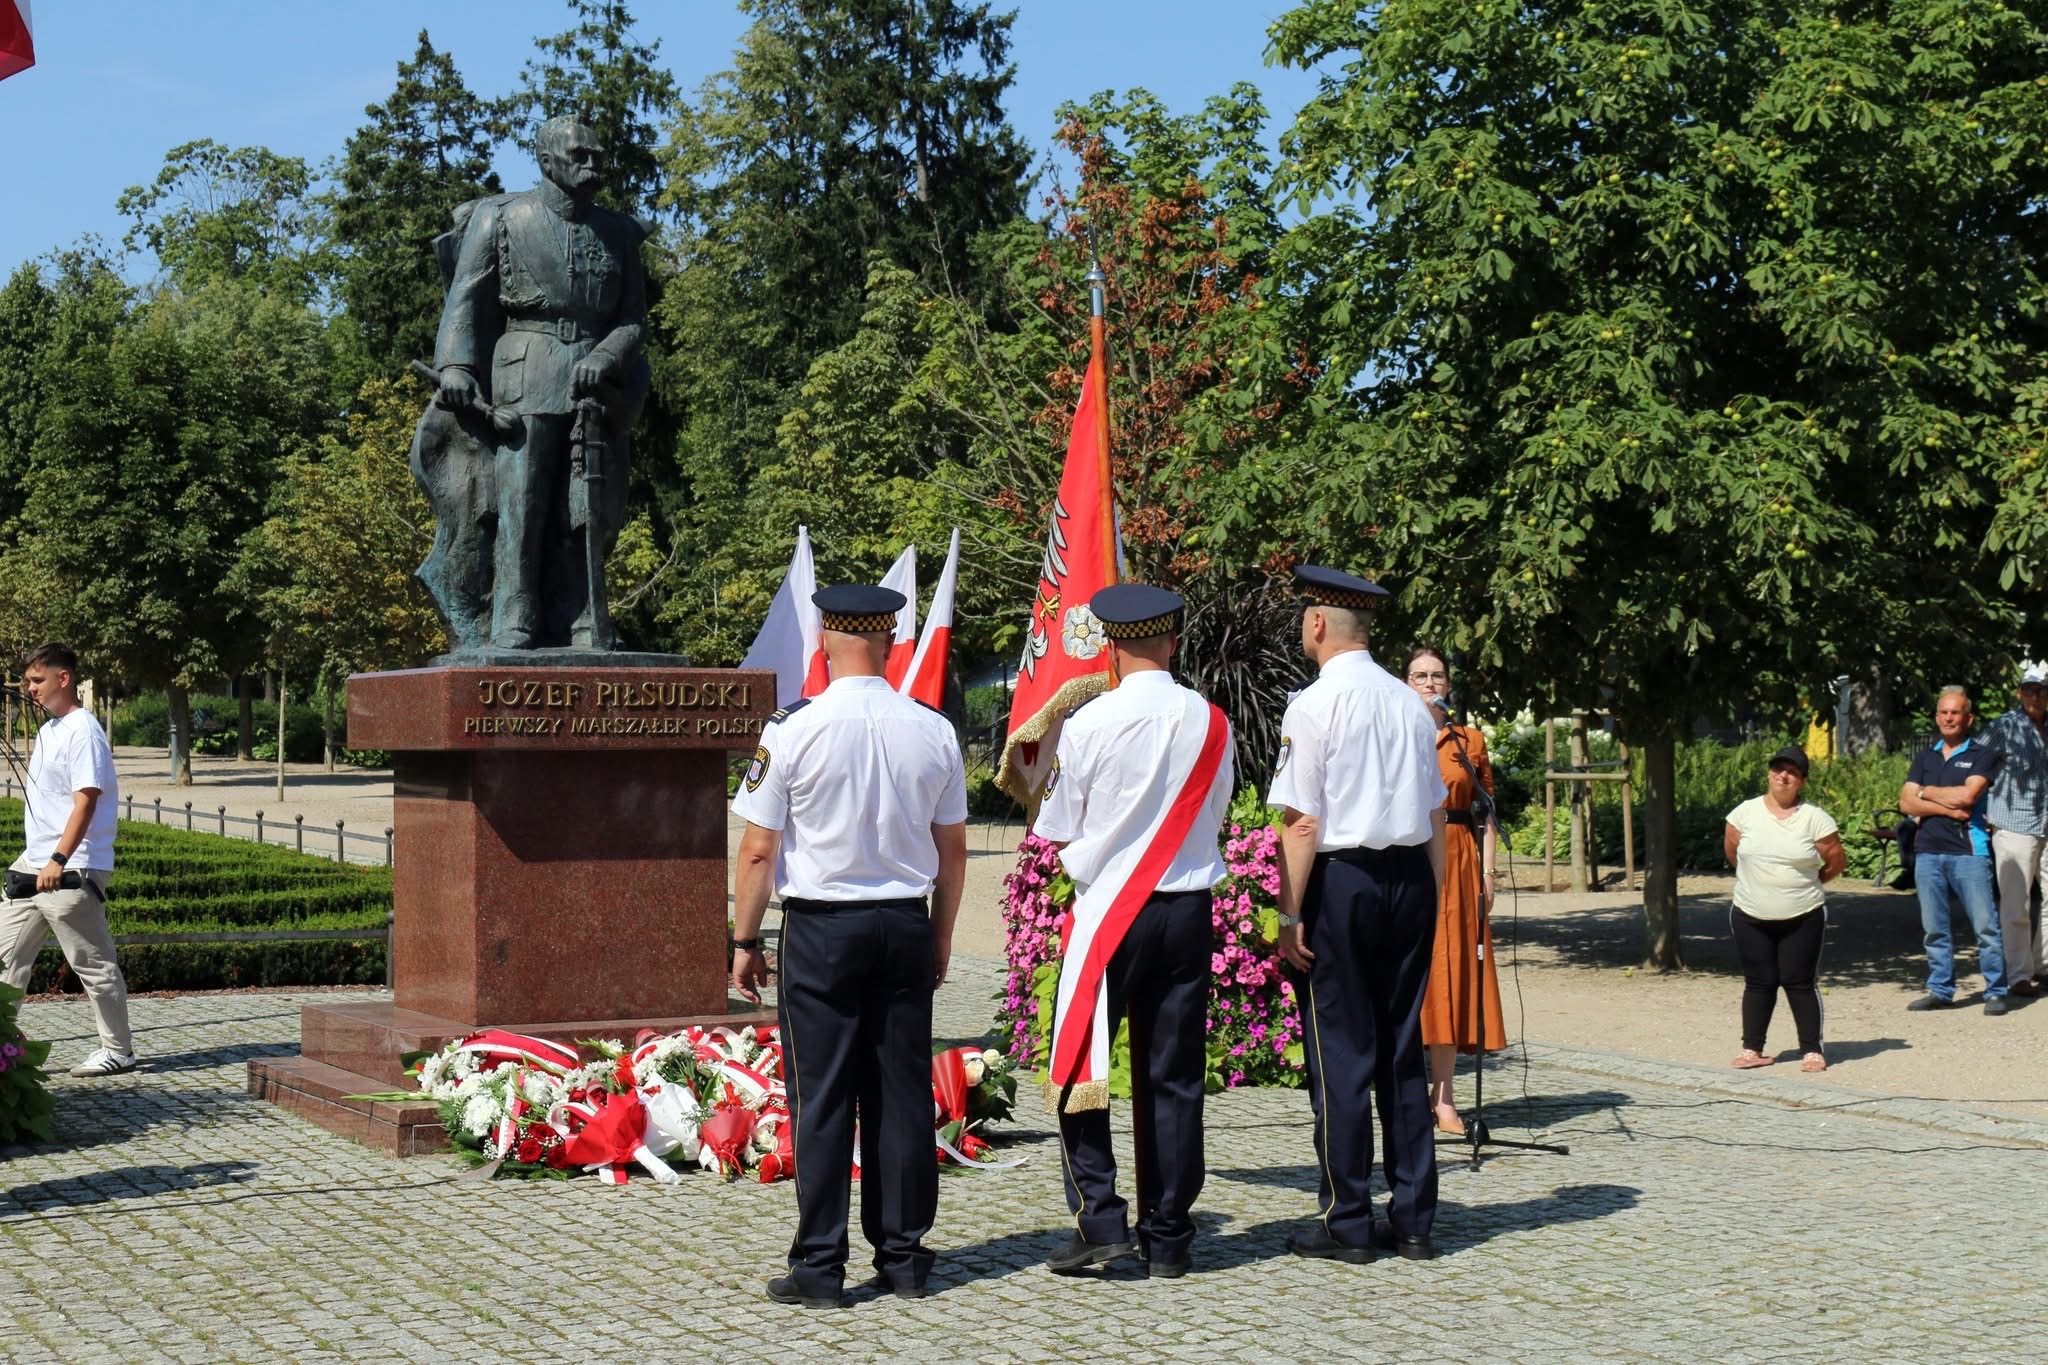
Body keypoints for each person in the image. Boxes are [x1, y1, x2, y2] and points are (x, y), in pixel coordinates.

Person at [729, 584, 968, 1308]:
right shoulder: (933, 728)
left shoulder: (794, 728)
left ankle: (821, 1265)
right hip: (902, 923)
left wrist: (742, 938)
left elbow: (759, 852)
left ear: (827, 637)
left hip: (823, 929)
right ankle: (902, 1257)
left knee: (822, 1095)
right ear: (890, 638)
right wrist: (942, 934)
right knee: (899, 1093)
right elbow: (952, 853)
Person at [1032, 584, 1233, 1279]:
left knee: (1079, 1064)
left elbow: (1058, 824)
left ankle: (1103, 1218)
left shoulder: (1088, 723)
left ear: (1112, 647)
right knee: (1173, 1074)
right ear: (1172, 642)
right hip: (1185, 907)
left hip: (1112, 911)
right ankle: (1170, 1233)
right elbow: (1219, 810)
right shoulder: (1213, 721)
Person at [1269, 566, 1448, 1263]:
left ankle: (1348, 1220)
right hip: (1409, 879)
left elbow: (1304, 820)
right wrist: (1428, 900)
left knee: (1342, 1053)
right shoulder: (1411, 704)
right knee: (1401, 1050)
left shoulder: (1313, 705)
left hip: (1342, 880)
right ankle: (1413, 1218)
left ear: (1318, 624)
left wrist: (1289, 913)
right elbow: (1434, 813)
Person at [433, 115, 649, 650]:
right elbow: (464, 296)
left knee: (589, 506)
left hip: (595, 383)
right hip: (525, 372)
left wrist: (606, 354)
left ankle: (582, 615)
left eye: (598, 155)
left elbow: (634, 319)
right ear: (547, 161)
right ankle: (514, 613)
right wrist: (457, 367)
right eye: (580, 155)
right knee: (523, 502)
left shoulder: (620, 233)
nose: (593, 164)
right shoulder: (502, 218)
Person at [1, 643, 134, 1076]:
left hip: (71, 867)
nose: (30, 688)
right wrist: (36, 860)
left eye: (38, 680)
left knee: (92, 964)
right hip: (33, 866)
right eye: (28, 680)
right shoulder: (48, 730)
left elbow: (86, 802)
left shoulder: (83, 730)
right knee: (5, 960)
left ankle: (119, 1050)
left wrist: (58, 859)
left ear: (64, 679)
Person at [1401, 647, 1504, 1135]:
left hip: (1461, 859)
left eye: (1436, 675)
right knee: (1412, 973)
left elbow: (1487, 812)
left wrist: (1489, 873)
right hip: (1409, 853)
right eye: (1419, 675)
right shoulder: (1396, 734)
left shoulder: (1470, 740)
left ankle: (1443, 1097)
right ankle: (1401, 1089)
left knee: (1452, 973)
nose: (1428, 683)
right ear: (1404, 682)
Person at [1722, 747, 1846, 1072]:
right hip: (1750, 914)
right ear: (1769, 774)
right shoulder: (1743, 814)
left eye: (1792, 772)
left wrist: (1814, 881)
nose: (1783, 776)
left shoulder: (1815, 819)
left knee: (1799, 981)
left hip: (1802, 915)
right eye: (1778, 769)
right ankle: (1752, 1049)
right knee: (1758, 982)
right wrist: (1756, 880)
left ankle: (1812, 1050)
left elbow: (1836, 859)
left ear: (1802, 781)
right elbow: (1734, 851)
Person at [1898, 686, 2008, 1014]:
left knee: (1986, 926)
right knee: (1935, 928)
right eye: (1943, 712)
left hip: (1969, 852)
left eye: (1955, 712)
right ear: (1936, 717)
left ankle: (1996, 991)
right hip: (1928, 851)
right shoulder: (1924, 756)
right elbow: (1905, 802)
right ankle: (1940, 990)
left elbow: (1967, 799)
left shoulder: (1982, 754)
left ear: (1968, 718)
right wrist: (1947, 809)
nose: (1949, 717)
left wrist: (1927, 793)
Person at [1985, 663, 2048, 996]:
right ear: (2020, 692)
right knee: (2016, 904)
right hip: (2014, 824)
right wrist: (1982, 811)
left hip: (2047, 822)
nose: (2034, 696)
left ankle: (2044, 965)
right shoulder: (2003, 727)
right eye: (2029, 690)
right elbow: (1978, 767)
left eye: (2040, 690)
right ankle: (2019, 975)